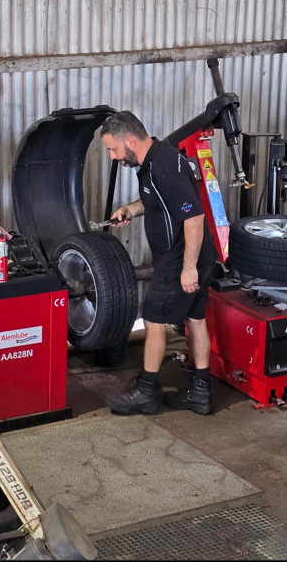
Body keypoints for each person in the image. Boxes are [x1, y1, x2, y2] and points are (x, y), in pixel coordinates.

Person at [100, 111, 218, 416]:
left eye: (113, 149)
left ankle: (146, 393)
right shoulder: (157, 159)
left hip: (181, 257)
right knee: (195, 319)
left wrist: (188, 268)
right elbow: (159, 201)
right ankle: (201, 394)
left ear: (130, 140)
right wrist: (131, 209)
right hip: (196, 253)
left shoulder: (163, 168)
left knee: (153, 320)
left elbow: (194, 217)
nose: (113, 157)